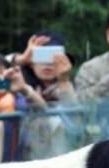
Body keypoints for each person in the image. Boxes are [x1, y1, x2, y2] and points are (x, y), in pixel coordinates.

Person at [10, 30, 81, 159]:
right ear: (31, 63)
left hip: (65, 161)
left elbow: (76, 120)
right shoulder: (18, 88)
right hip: (29, 163)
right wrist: (21, 58)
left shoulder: (74, 88)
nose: (47, 63)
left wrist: (64, 81)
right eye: (42, 56)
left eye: (54, 57)